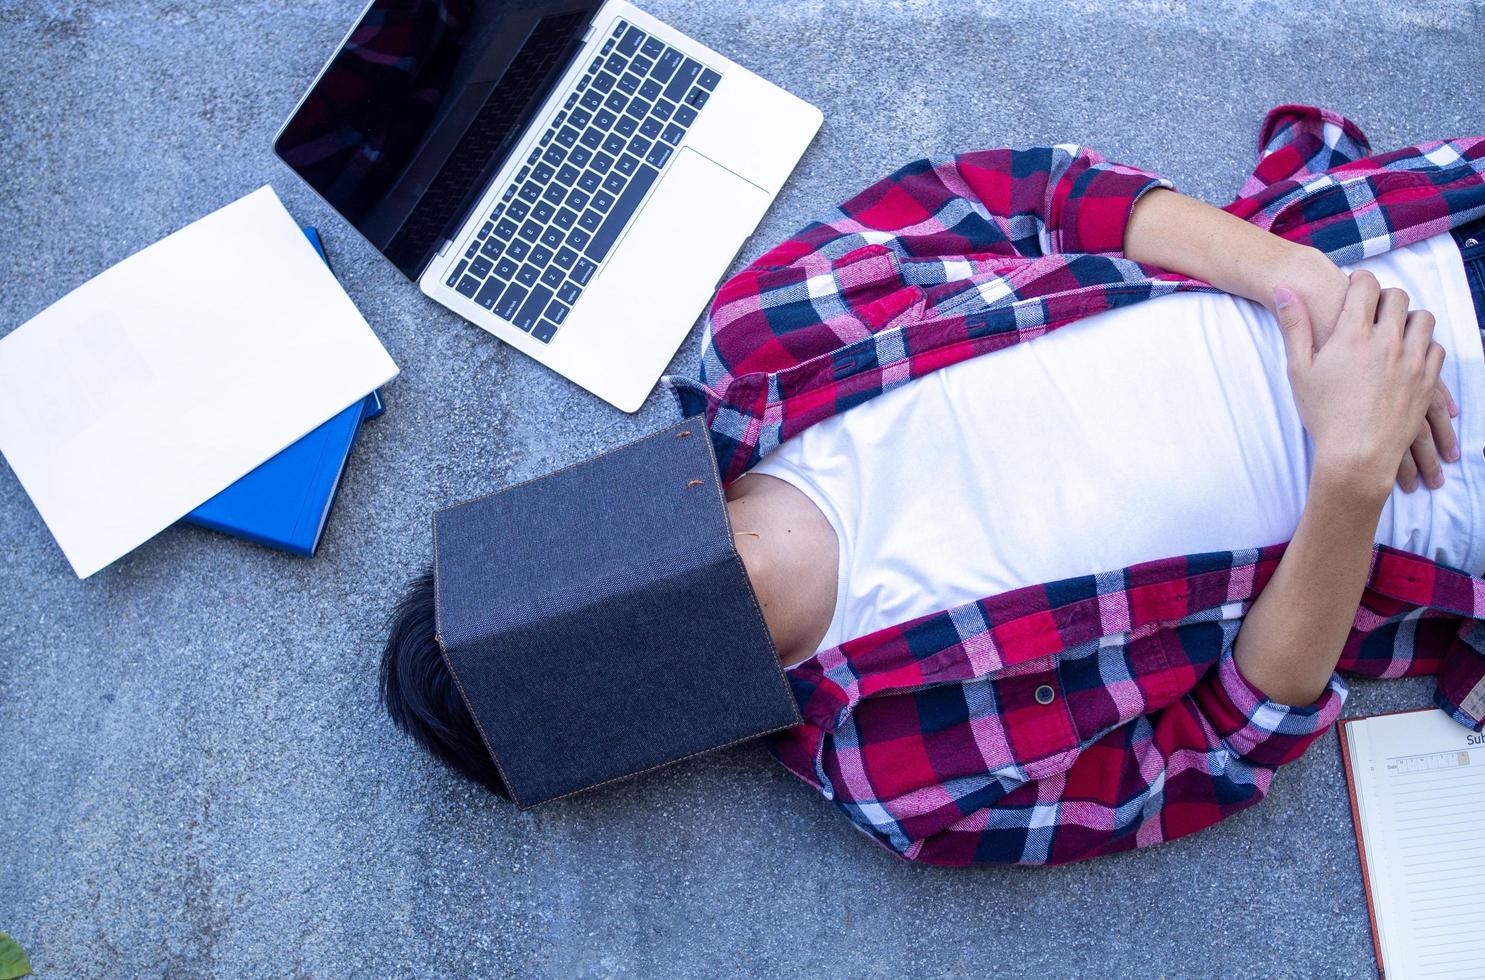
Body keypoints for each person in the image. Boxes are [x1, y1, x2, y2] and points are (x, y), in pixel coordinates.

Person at [382, 105, 1485, 865]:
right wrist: (1349, 473)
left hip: (1407, 250)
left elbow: (1025, 195)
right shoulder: (903, 780)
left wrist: (1300, 282)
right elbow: (1224, 741)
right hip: (1447, 506)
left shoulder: (762, 345)